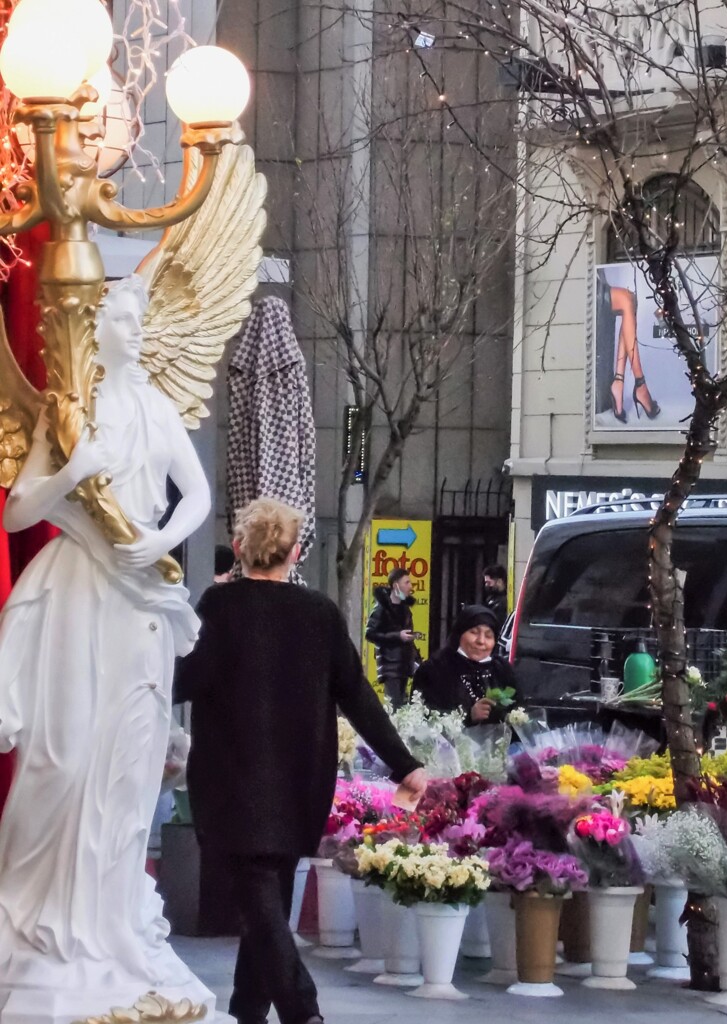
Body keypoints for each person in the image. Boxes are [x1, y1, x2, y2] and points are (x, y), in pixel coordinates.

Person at [0, 276, 211, 1002]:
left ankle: (111, 918)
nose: (137, 328)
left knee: (129, 759)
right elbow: (17, 512)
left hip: (136, 596)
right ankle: (40, 926)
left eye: (141, 318)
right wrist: (72, 472)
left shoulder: (156, 409)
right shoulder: (66, 411)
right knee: (61, 757)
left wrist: (160, 536)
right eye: (124, 317)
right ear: (96, 328)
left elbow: (198, 494)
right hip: (75, 591)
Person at [174, 497, 427, 1024]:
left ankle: (302, 1012)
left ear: (239, 548)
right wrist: (405, 764)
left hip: (231, 784)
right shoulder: (319, 613)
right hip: (300, 783)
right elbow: (358, 695)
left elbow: (184, 681)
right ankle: (248, 1014)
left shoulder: (218, 608)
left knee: (261, 910)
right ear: (295, 553)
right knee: (266, 908)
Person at [412, 605, 515, 726]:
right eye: (474, 632)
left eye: (488, 636)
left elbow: (519, 707)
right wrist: (468, 716)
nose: (481, 641)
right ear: (459, 633)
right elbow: (422, 716)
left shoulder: (501, 668)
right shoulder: (435, 668)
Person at [596, 270, 661, 423]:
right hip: (591, 290)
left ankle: (619, 382)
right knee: (627, 300)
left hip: (597, 284)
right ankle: (640, 384)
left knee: (630, 299)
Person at [364, 566, 419, 708]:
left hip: (404, 665)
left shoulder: (405, 609)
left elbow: (408, 639)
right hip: (390, 665)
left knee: (402, 706)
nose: (410, 587)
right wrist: (397, 636)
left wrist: (416, 660)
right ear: (396, 586)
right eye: (406, 582)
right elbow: (370, 633)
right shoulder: (381, 608)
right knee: (394, 705)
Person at [482, 563, 508, 627]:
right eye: (486, 583)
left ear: (499, 582)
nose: (486, 585)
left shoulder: (506, 601)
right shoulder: (490, 598)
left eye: (489, 582)